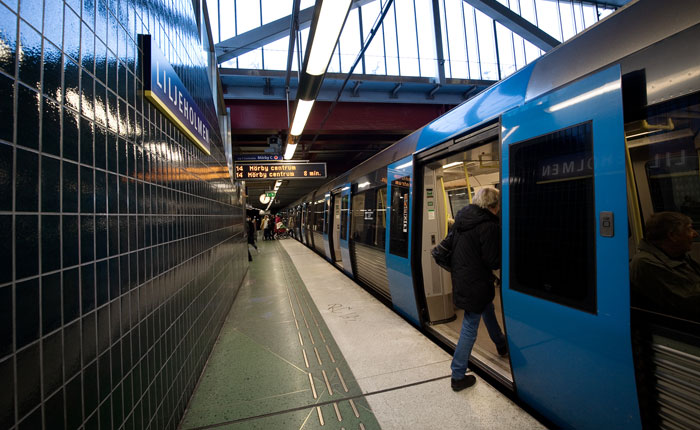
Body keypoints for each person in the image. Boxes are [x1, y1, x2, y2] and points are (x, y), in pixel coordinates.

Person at [449, 187, 508, 392]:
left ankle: (501, 344)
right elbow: (493, 261)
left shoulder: (461, 220)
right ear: (493, 206)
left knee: (488, 309)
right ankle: (457, 375)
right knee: (470, 325)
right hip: (477, 282)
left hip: (462, 279)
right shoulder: (489, 226)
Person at [630, 211, 700, 321]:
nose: (695, 234)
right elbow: (689, 302)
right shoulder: (645, 263)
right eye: (689, 229)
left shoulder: (677, 256)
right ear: (672, 236)